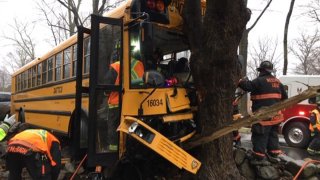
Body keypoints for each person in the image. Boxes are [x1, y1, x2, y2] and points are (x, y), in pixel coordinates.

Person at [238, 61, 288, 162]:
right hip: (276, 117)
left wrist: (240, 82)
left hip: (262, 117)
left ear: (261, 70)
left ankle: (258, 156)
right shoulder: (278, 82)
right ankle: (274, 153)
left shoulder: (259, 81)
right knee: (272, 136)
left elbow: (247, 86)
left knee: (260, 136)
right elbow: (285, 97)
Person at [0, 114, 61, 180]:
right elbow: (56, 165)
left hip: (12, 149)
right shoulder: (54, 141)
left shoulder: (26, 133)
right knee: (43, 175)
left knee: (14, 175)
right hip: (30, 150)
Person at [105, 52, 144, 151]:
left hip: (117, 105)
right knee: (133, 129)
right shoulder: (139, 64)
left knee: (115, 131)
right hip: (136, 103)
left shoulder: (116, 66)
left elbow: (107, 89)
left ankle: (114, 153)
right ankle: (131, 150)